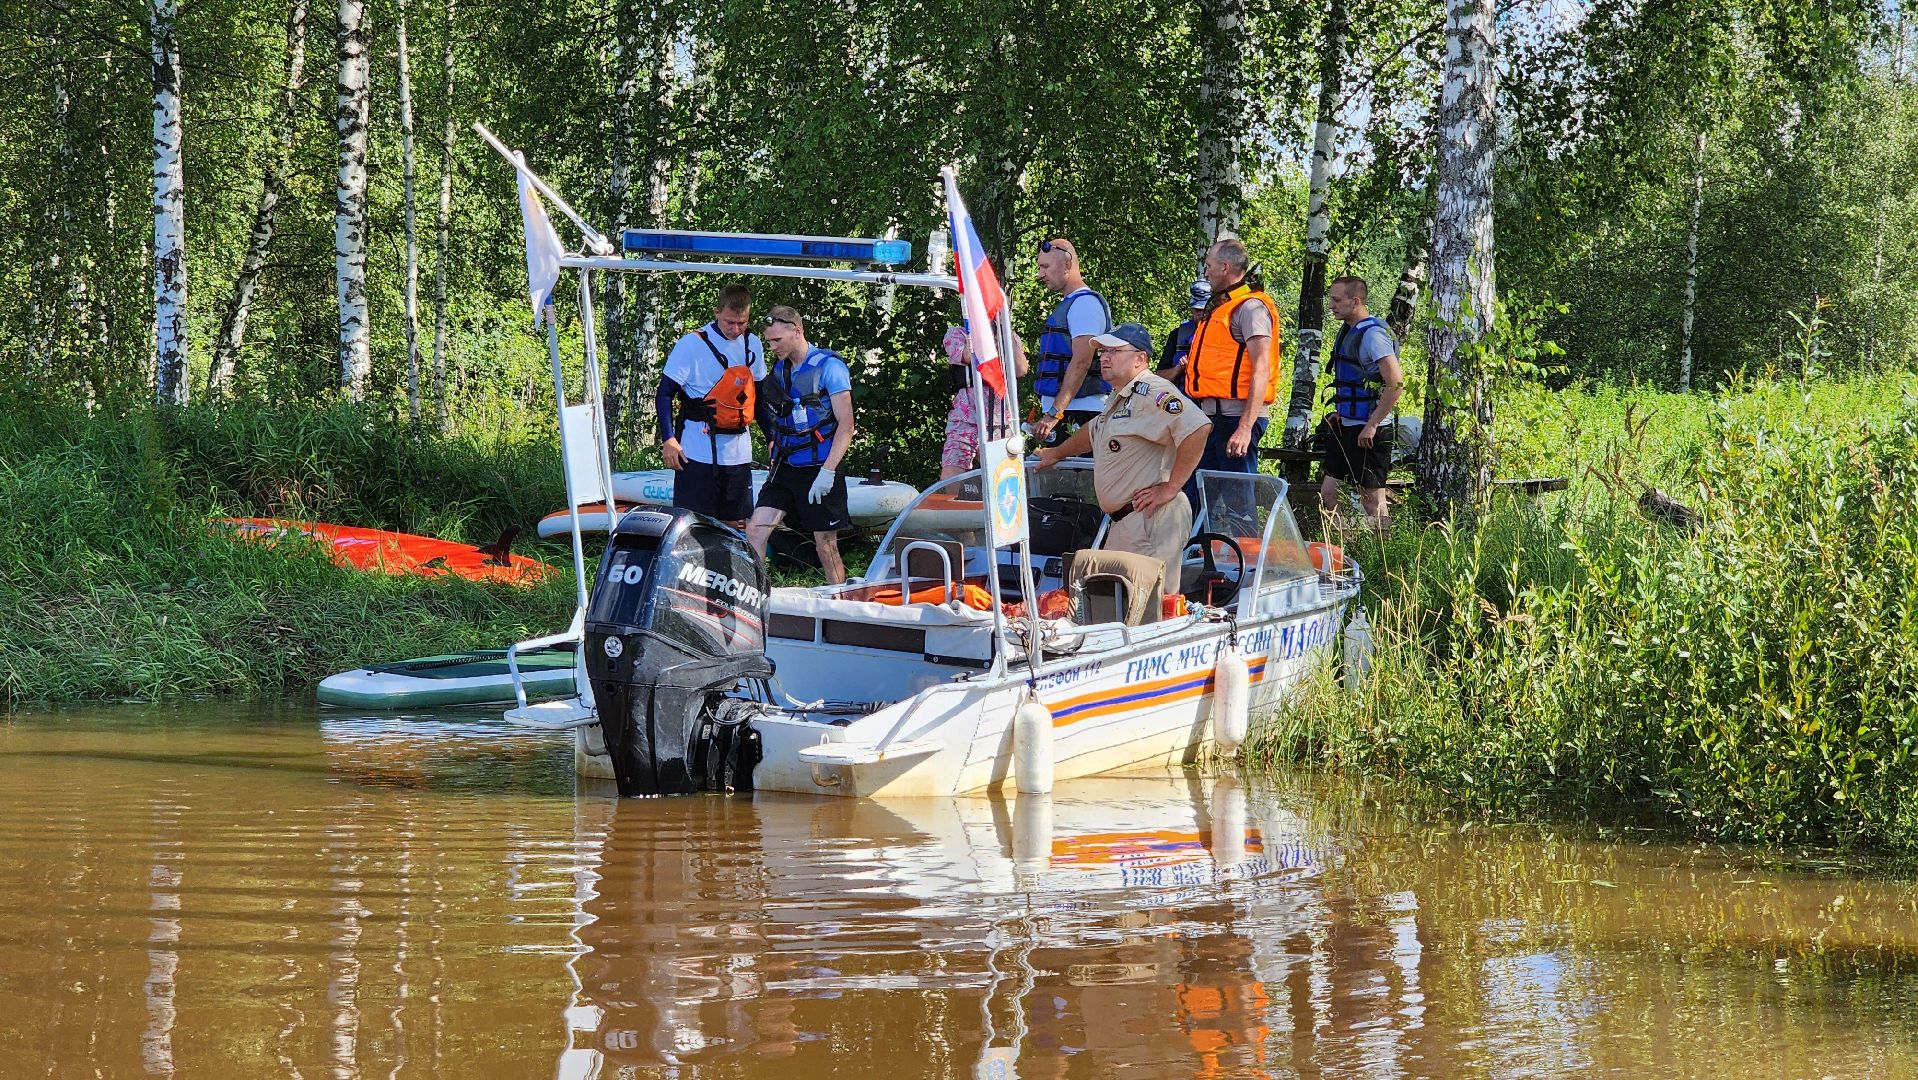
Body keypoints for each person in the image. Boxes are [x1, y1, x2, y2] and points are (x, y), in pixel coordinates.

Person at [1034, 322, 1210, 594]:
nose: (1104, 357)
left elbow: (1198, 427)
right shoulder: (1121, 396)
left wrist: (1172, 487)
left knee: (1150, 612)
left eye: (1114, 351)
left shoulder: (1154, 392)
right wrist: (1055, 454)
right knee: (1112, 609)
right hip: (1124, 522)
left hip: (1151, 519)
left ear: (1140, 359)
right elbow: (1094, 432)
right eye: (1103, 352)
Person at [745, 306, 856, 583]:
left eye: (777, 341)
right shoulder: (780, 369)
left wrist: (828, 472)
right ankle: (759, 598)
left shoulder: (830, 367)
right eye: (769, 342)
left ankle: (841, 605)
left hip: (819, 467)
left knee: (826, 545)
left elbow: (847, 425)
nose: (772, 347)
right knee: (755, 531)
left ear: (797, 330)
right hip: (785, 465)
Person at [1180, 238, 1281, 516]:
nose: (1206, 272)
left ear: (1225, 267)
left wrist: (1245, 428)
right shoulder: (1222, 307)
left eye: (1209, 265)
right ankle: (1189, 553)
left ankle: (1246, 558)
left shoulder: (1250, 308)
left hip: (1237, 419)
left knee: (1238, 505)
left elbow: (1262, 368)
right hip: (1213, 418)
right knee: (1192, 498)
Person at [656, 283, 766, 529]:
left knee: (735, 526)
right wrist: (669, 439)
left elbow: (759, 398)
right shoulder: (691, 345)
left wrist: (773, 438)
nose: (736, 329)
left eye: (742, 323)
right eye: (729, 322)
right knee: (694, 525)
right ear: (717, 312)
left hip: (738, 453)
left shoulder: (753, 345)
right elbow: (664, 394)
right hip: (697, 450)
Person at [1319, 275, 1405, 527]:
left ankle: (1384, 556)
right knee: (1328, 494)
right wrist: (1340, 411)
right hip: (1345, 425)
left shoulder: (1373, 336)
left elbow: (1396, 384)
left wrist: (1372, 424)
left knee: (1372, 501)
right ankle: (1346, 551)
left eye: (1336, 300)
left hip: (1370, 431)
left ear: (1355, 301)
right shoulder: (1347, 331)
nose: (1331, 305)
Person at [1026, 237, 1112, 447]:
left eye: (1045, 266)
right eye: (1040, 267)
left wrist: (1055, 413)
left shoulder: (1085, 304)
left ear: (1067, 264)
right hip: (1067, 413)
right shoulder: (1071, 303)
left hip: (1080, 413)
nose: (1040, 274)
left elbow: (1082, 361)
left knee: (1076, 478)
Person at [938, 323, 1028, 480]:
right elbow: (968, 356)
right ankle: (951, 504)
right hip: (966, 418)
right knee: (953, 466)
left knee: (1004, 473)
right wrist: (978, 324)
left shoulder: (1007, 334)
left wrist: (1004, 331)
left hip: (1000, 418)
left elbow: (1021, 369)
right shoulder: (957, 334)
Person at [1153, 278, 1212, 383]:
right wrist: (1178, 369)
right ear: (1191, 309)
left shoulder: (1225, 334)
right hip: (1182, 397)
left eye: (1205, 310)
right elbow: (1159, 377)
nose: (1201, 314)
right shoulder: (1177, 335)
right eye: (1197, 310)